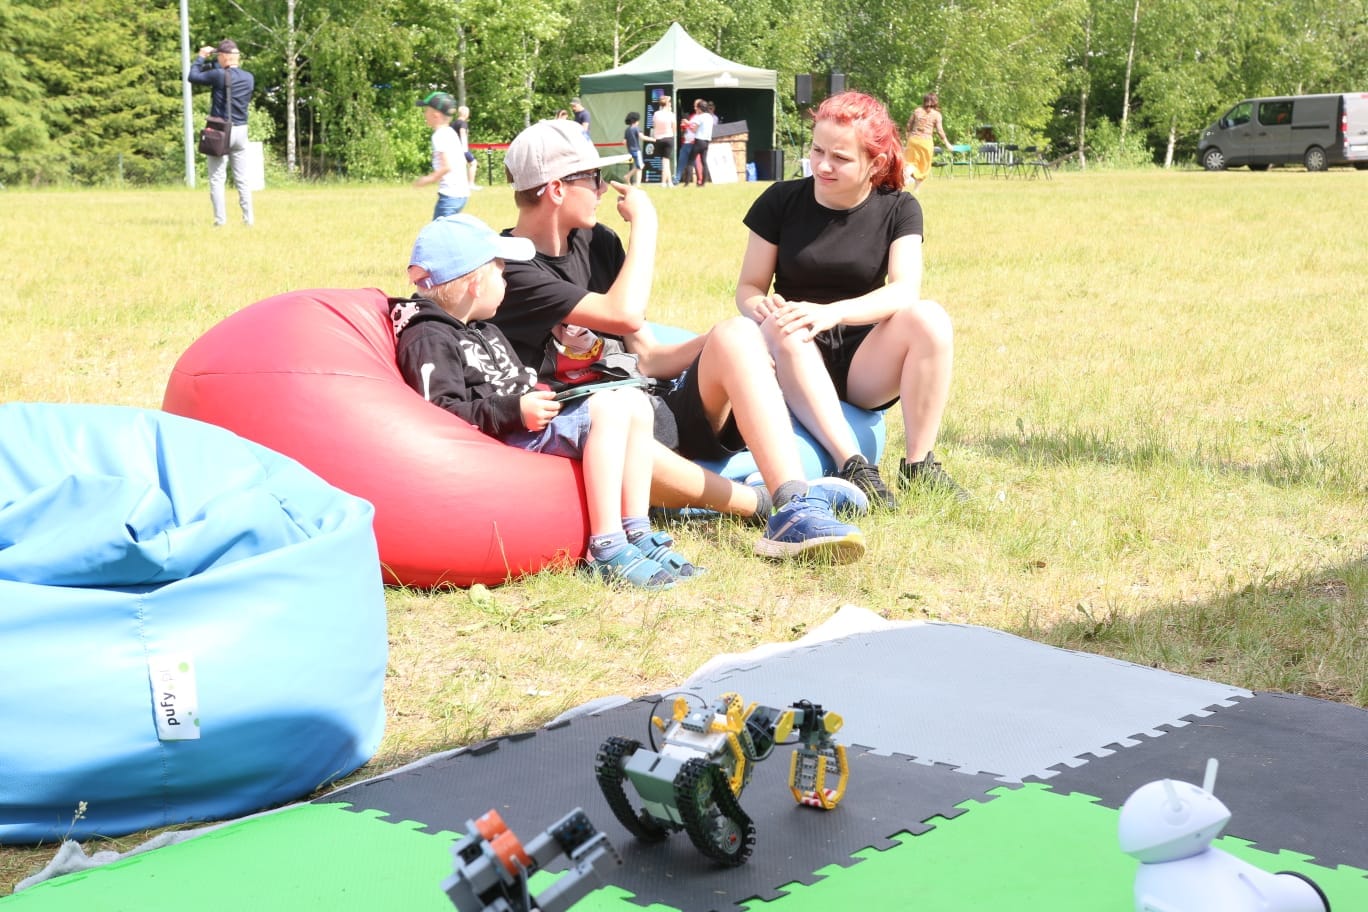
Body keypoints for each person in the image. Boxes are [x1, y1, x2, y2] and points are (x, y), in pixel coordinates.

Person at [489, 119, 869, 564]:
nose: (603, 188)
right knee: (619, 429)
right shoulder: (511, 269)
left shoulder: (597, 243)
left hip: (648, 405)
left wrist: (735, 341)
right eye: (593, 178)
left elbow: (648, 356)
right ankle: (758, 503)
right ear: (556, 189)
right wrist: (646, 227)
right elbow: (623, 314)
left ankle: (793, 503)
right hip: (594, 427)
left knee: (737, 332)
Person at [392, 213, 700, 590]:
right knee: (609, 409)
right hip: (504, 437)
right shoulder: (429, 338)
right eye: (501, 271)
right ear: (475, 284)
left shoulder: (485, 329)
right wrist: (514, 410)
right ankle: (606, 547)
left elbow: (516, 379)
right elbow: (440, 416)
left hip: (528, 420)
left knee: (632, 401)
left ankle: (636, 529)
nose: (506, 280)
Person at [735, 91, 967, 508]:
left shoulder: (899, 208)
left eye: (840, 158)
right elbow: (749, 288)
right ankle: (854, 466)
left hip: (864, 360)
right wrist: (763, 308)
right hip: (793, 349)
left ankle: (920, 466)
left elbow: (904, 290)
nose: (823, 165)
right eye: (817, 150)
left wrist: (832, 313)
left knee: (930, 318)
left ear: (875, 163)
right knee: (788, 328)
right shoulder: (780, 201)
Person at [187, 39, 255, 226]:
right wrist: (216, 60)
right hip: (241, 130)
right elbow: (224, 69)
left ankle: (220, 221)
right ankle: (248, 220)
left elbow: (193, 76)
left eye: (219, 56)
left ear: (224, 57)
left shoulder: (218, 75)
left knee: (217, 178)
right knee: (242, 179)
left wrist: (201, 57)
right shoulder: (249, 77)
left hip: (220, 131)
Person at [413, 92, 470, 219]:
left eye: (426, 110)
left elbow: (446, 167)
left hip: (450, 195)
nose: (424, 114)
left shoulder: (439, 135)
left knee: (439, 229)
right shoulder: (450, 132)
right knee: (448, 228)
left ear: (435, 115)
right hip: (461, 194)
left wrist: (428, 179)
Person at [904, 92, 951, 191]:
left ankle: (906, 181)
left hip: (913, 140)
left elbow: (909, 125)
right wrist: (947, 143)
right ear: (935, 102)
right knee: (924, 166)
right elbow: (940, 131)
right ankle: (916, 189)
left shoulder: (917, 111)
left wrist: (908, 137)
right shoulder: (936, 115)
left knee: (911, 163)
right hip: (925, 142)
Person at [684, 99, 715, 187]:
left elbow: (694, 128)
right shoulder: (710, 117)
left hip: (699, 141)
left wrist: (687, 123)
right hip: (706, 142)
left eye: (697, 108)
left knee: (690, 161)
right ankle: (703, 183)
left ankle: (687, 183)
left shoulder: (700, 117)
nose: (696, 110)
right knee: (704, 162)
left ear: (700, 109)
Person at [650, 96, 675, 187]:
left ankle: (670, 182)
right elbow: (674, 128)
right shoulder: (671, 114)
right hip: (668, 138)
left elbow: (654, 127)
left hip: (659, 139)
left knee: (665, 161)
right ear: (668, 104)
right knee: (666, 161)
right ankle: (664, 182)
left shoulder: (656, 114)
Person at [454, 104, 479, 188]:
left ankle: (458, 184)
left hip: (453, 148)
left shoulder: (453, 123)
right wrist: (464, 149)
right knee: (473, 163)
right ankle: (471, 184)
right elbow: (462, 132)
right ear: (465, 113)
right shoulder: (463, 123)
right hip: (462, 148)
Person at [676, 109, 697, 185]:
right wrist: (683, 128)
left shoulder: (693, 123)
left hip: (693, 144)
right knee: (681, 163)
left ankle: (699, 179)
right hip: (685, 145)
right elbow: (682, 135)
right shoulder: (684, 125)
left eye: (686, 117)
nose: (685, 118)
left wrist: (688, 124)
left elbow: (696, 131)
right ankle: (677, 180)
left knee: (695, 164)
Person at [623, 112, 644, 186]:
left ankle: (628, 177)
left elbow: (624, 142)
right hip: (637, 150)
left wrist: (628, 149)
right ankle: (637, 183)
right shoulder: (637, 128)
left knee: (639, 166)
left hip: (630, 150)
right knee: (640, 166)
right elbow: (642, 137)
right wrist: (653, 139)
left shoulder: (627, 130)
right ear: (636, 120)